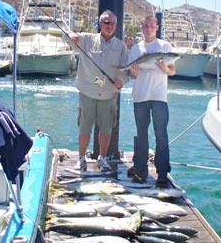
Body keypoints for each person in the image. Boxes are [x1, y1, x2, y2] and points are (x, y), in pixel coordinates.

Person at [68, 10, 129, 172]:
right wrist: (71, 37)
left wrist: (122, 81)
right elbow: (67, 37)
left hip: (109, 94)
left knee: (106, 129)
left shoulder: (120, 46)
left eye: (112, 23)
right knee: (84, 128)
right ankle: (81, 158)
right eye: (106, 22)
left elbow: (126, 70)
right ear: (100, 24)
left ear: (116, 26)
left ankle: (103, 157)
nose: (109, 26)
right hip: (87, 92)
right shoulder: (87, 39)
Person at [128, 15, 176, 188]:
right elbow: (132, 75)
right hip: (140, 95)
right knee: (141, 133)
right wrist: (133, 72)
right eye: (145, 25)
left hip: (159, 96)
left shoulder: (165, 46)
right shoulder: (136, 48)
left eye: (151, 26)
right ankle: (140, 169)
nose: (148, 28)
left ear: (157, 27)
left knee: (161, 135)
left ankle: (162, 173)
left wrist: (164, 68)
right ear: (142, 27)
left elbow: (172, 71)